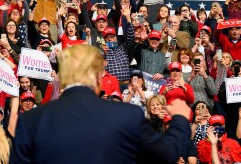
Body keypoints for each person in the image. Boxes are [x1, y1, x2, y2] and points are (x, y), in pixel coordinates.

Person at [10, 44, 192, 164]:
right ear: (99, 77)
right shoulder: (128, 115)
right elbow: (166, 155)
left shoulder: (30, 121)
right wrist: (180, 120)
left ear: (63, 77)